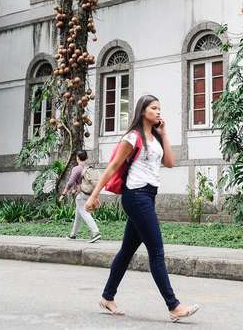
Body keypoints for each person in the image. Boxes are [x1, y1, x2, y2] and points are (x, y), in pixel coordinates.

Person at [85, 94, 200, 323]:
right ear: (143, 111)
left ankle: (108, 297)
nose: (158, 112)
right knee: (156, 251)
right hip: (136, 196)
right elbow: (112, 167)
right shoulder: (133, 137)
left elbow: (169, 162)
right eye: (154, 108)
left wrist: (164, 133)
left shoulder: (155, 138)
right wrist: (94, 195)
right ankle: (173, 306)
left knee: (127, 250)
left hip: (148, 195)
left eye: (159, 108)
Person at [60, 150, 101, 243]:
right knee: (78, 215)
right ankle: (73, 234)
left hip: (81, 195)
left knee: (85, 213)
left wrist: (63, 194)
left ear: (77, 158)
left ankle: (96, 232)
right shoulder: (88, 168)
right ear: (86, 158)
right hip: (89, 194)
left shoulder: (77, 168)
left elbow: (70, 182)